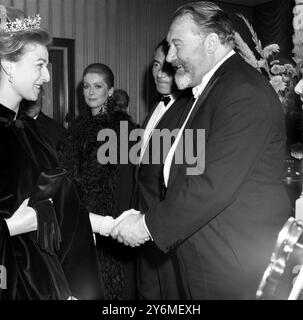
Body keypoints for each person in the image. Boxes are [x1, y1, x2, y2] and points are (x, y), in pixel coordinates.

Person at [111, 1, 292, 299]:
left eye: (177, 45)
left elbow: (212, 186)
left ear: (210, 43)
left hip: (231, 264)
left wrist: (146, 226)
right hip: (206, 253)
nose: (170, 58)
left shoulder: (241, 91)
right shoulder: (215, 88)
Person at [0, 6, 103, 299]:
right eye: (39, 64)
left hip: (49, 282)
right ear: (8, 64)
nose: (47, 76)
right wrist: (10, 226)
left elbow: (63, 211)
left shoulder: (30, 133)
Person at [59, 63, 137, 300]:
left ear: (110, 91)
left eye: (98, 86)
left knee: (110, 288)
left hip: (109, 222)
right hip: (79, 220)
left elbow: (124, 185)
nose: (91, 92)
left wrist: (110, 225)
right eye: (86, 86)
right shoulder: (76, 128)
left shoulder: (123, 129)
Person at [133, 39, 191, 299]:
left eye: (167, 67)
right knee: (147, 292)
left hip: (167, 229)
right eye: (156, 65)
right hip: (144, 222)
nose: (159, 73)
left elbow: (188, 180)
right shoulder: (155, 108)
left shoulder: (190, 112)